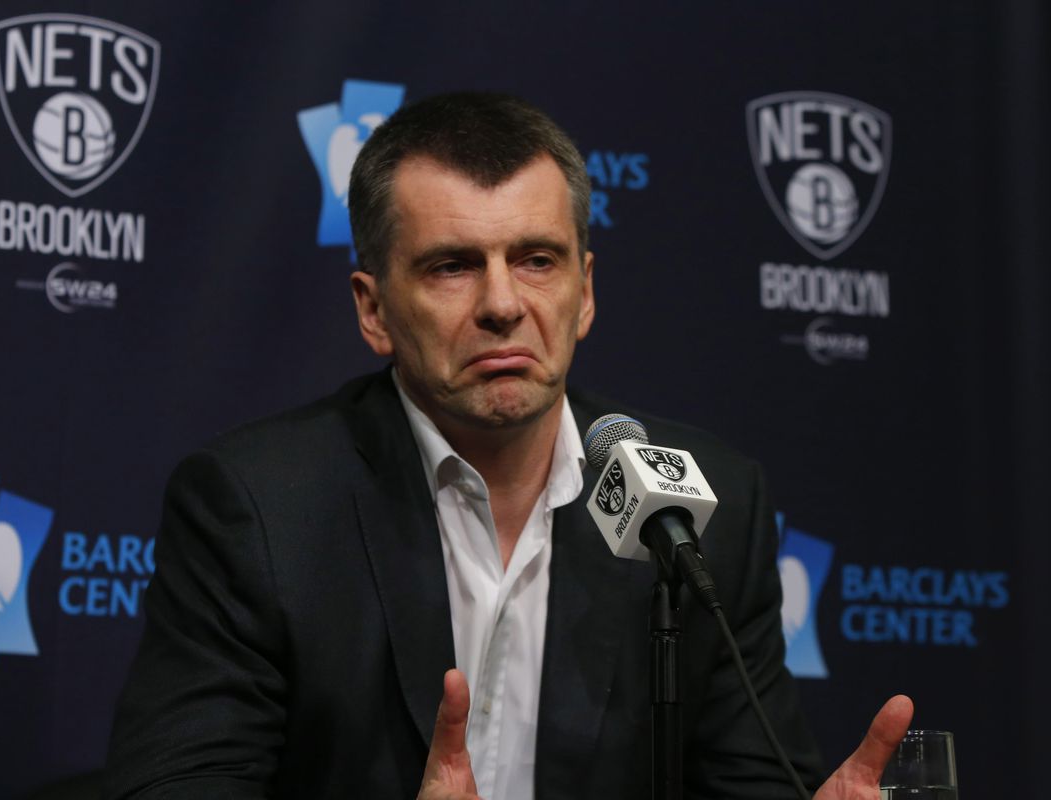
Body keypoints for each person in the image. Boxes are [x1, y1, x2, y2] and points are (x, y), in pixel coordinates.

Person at [105, 92, 912, 799]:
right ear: (373, 310)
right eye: (452, 267)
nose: (502, 304)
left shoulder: (704, 508)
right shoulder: (258, 508)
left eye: (535, 260)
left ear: (584, 292)